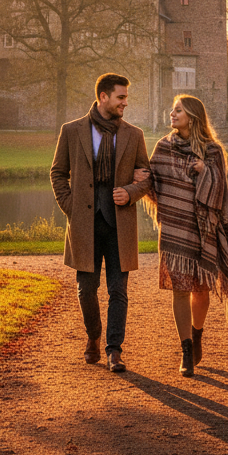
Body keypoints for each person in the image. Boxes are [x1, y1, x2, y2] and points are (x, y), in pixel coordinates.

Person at [50, 73, 152, 373]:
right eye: (121, 97)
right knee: (86, 289)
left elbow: (146, 176)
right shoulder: (71, 131)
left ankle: (114, 350)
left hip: (120, 224)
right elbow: (57, 173)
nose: (125, 103)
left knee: (118, 290)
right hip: (84, 224)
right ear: (103, 97)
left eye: (126, 98)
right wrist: (71, 209)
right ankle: (93, 336)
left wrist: (130, 193)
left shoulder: (134, 135)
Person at [140, 94, 228, 378]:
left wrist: (205, 171)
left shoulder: (213, 152)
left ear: (192, 117)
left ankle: (197, 335)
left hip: (203, 232)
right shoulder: (163, 147)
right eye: (172, 109)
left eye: (178, 110)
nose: (172, 113)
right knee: (180, 289)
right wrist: (137, 181)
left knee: (201, 290)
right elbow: (153, 182)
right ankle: (185, 351)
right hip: (173, 230)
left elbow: (222, 193)